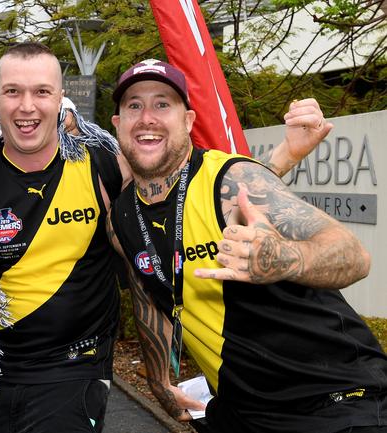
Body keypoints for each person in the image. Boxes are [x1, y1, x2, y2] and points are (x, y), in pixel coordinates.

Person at [0, 42, 332, 433]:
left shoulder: (105, 166)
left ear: (60, 99)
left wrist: (287, 154)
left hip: (76, 371)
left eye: (41, 92)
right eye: (13, 91)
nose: (26, 106)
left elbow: (200, 195)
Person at [107, 59, 387, 433]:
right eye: (134, 106)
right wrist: (160, 382)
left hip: (332, 400)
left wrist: (285, 258)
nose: (147, 117)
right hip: (240, 410)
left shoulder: (232, 179)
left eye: (163, 104)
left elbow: (354, 254)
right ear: (118, 125)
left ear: (188, 121)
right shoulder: (122, 217)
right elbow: (148, 299)